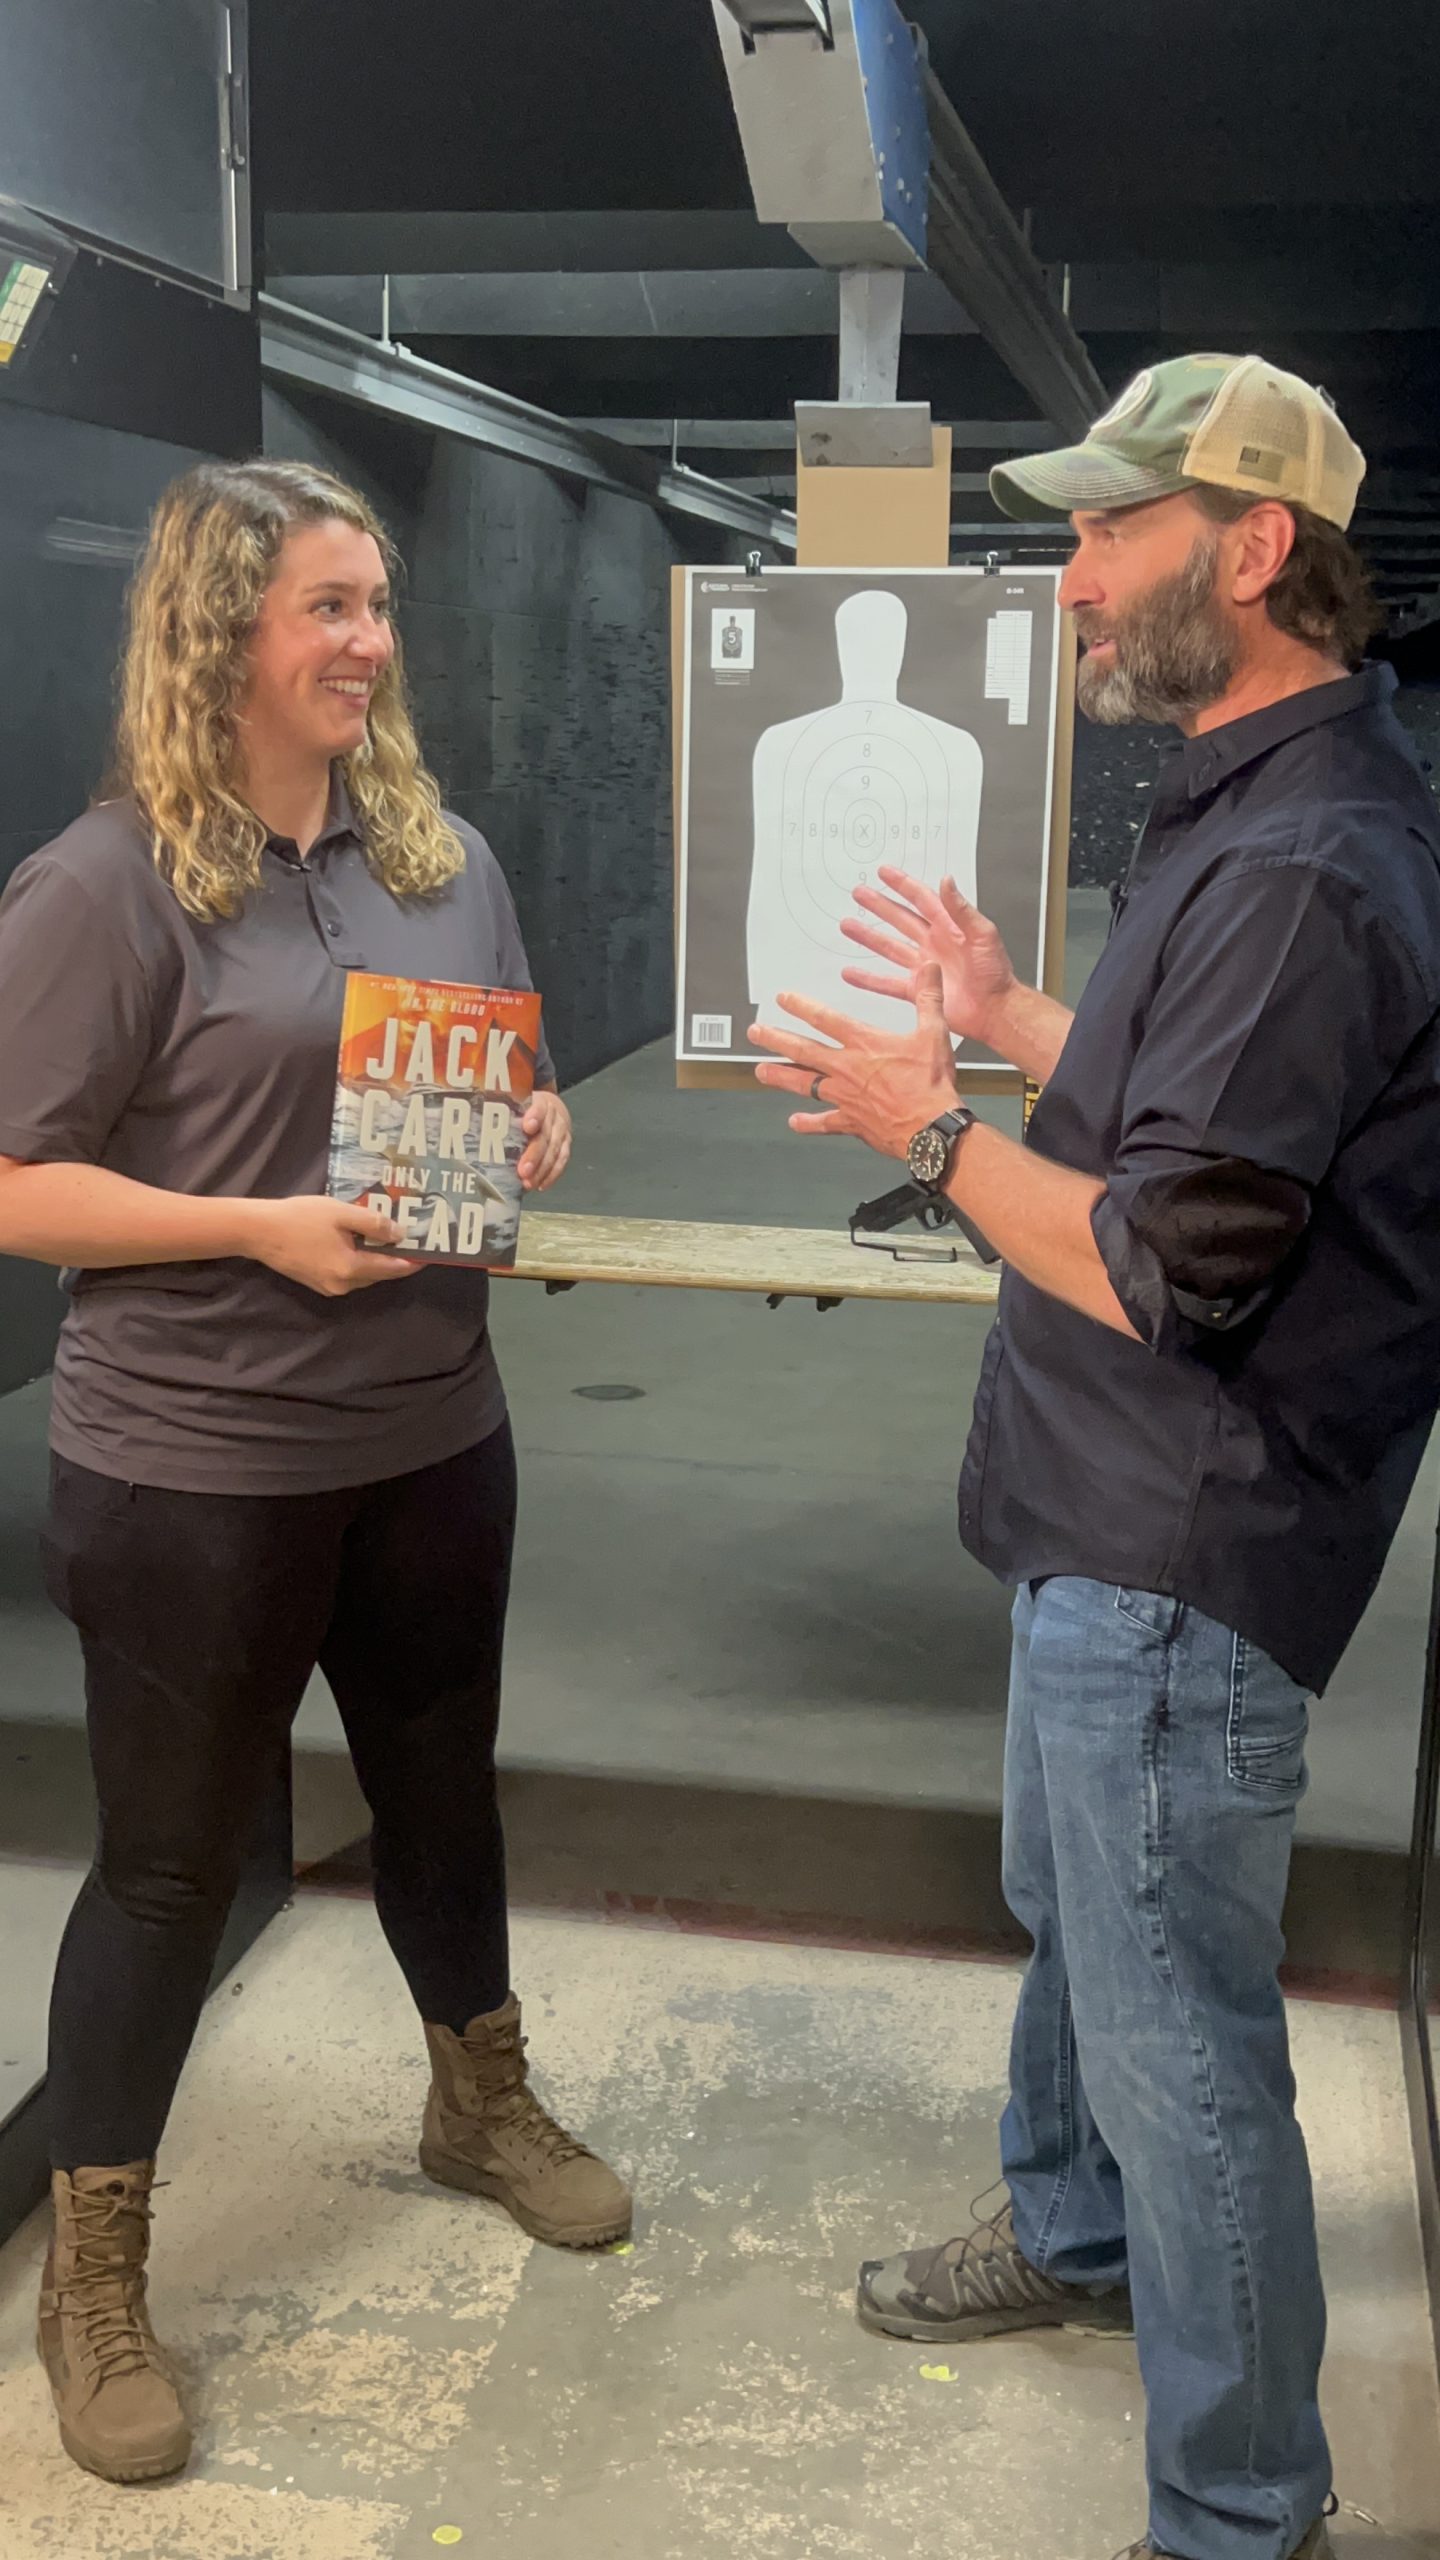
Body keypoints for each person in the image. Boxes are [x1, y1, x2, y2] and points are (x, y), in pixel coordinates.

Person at [750, 354, 1440, 2560]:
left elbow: (1178, 1261)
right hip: (1109, 1507)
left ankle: (1241, 2506)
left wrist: (930, 1126)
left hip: (1181, 1536)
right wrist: (1027, 1013)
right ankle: (1073, 2232)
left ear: (1250, 553)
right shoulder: (1250, 803)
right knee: (1081, 1918)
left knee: (1179, 2036)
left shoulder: (1313, 860)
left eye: (1109, 532)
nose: (1071, 577)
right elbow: (1196, 1107)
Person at [0, 460, 631, 2488]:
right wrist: (255, 1222)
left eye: (379, 605)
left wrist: (534, 1127)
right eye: (327, 610)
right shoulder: (107, 883)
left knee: (445, 1793)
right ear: (222, 638)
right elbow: (16, 1182)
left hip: (432, 1432)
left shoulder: (442, 859)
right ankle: (92, 2268)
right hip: (194, 1462)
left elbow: (515, 1078)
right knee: (172, 1866)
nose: (367, 642)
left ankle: (479, 2096)